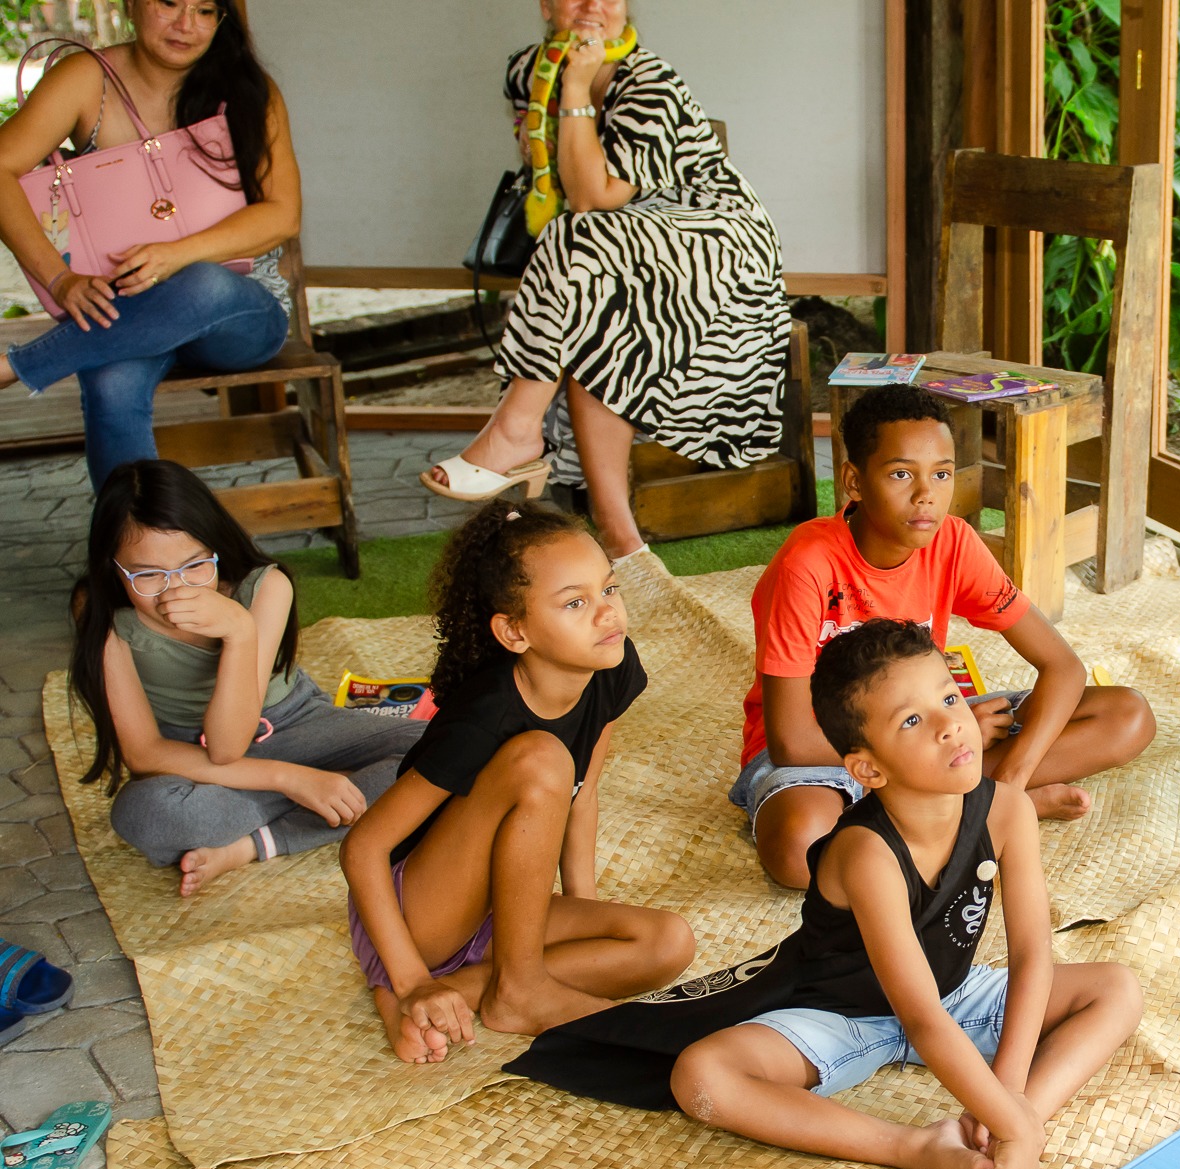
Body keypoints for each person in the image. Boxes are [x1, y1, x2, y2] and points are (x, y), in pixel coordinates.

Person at [504, 620, 1146, 1169]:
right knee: (702, 1076)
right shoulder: (866, 852)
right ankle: (914, 1147)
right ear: (867, 768)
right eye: (914, 720)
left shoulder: (1007, 809)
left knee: (1117, 987)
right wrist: (1004, 1125)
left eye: (950, 700)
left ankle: (1033, 1111)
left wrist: (1010, 1109)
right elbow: (915, 1015)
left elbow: (1033, 955)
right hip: (841, 1017)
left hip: (953, 996)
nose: (951, 728)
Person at [735, 384, 1157, 888]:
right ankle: (960, 814)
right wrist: (941, 742)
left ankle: (979, 807)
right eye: (900, 474)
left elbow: (1062, 666)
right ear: (853, 481)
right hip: (831, 750)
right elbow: (790, 741)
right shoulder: (808, 564)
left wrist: (1011, 782)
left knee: (1126, 717)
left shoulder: (953, 541)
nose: (925, 495)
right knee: (799, 849)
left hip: (933, 730)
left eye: (941, 474)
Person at [421, 0, 788, 566]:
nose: (593, 5)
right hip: (618, 252)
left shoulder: (653, 83)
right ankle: (621, 537)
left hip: (717, 239)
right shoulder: (526, 70)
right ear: (546, 5)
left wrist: (573, 89)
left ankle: (518, 430)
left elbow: (591, 197)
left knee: (580, 238)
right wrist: (563, 87)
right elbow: (557, 177)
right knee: (599, 297)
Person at [339, 501, 695, 1065]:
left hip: (504, 912)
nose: (607, 614)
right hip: (421, 913)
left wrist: (584, 915)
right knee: (541, 758)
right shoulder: (485, 714)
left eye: (610, 589)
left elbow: (585, 796)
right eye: (575, 602)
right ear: (514, 630)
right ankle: (496, 990)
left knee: (668, 942)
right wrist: (410, 978)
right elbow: (364, 848)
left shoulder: (611, 667)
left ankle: (468, 991)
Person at [71, 461, 423, 898]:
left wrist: (238, 630)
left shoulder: (265, 588)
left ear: (215, 546)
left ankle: (255, 843)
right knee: (143, 814)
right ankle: (339, 782)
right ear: (113, 568)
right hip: (188, 756)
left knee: (441, 748)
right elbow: (153, 753)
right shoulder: (102, 612)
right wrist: (291, 779)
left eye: (195, 566)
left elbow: (230, 740)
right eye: (146, 575)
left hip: (293, 722)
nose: (174, 590)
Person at [0, 0, 302, 490]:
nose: (186, 24)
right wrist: (60, 276)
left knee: (206, 279)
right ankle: (129, 552)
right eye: (169, 3)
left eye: (205, 10)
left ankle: (20, 366)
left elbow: (283, 215)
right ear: (132, 6)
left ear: (220, 20)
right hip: (125, 315)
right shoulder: (87, 78)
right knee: (107, 379)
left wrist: (176, 255)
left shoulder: (246, 90)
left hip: (240, 316)